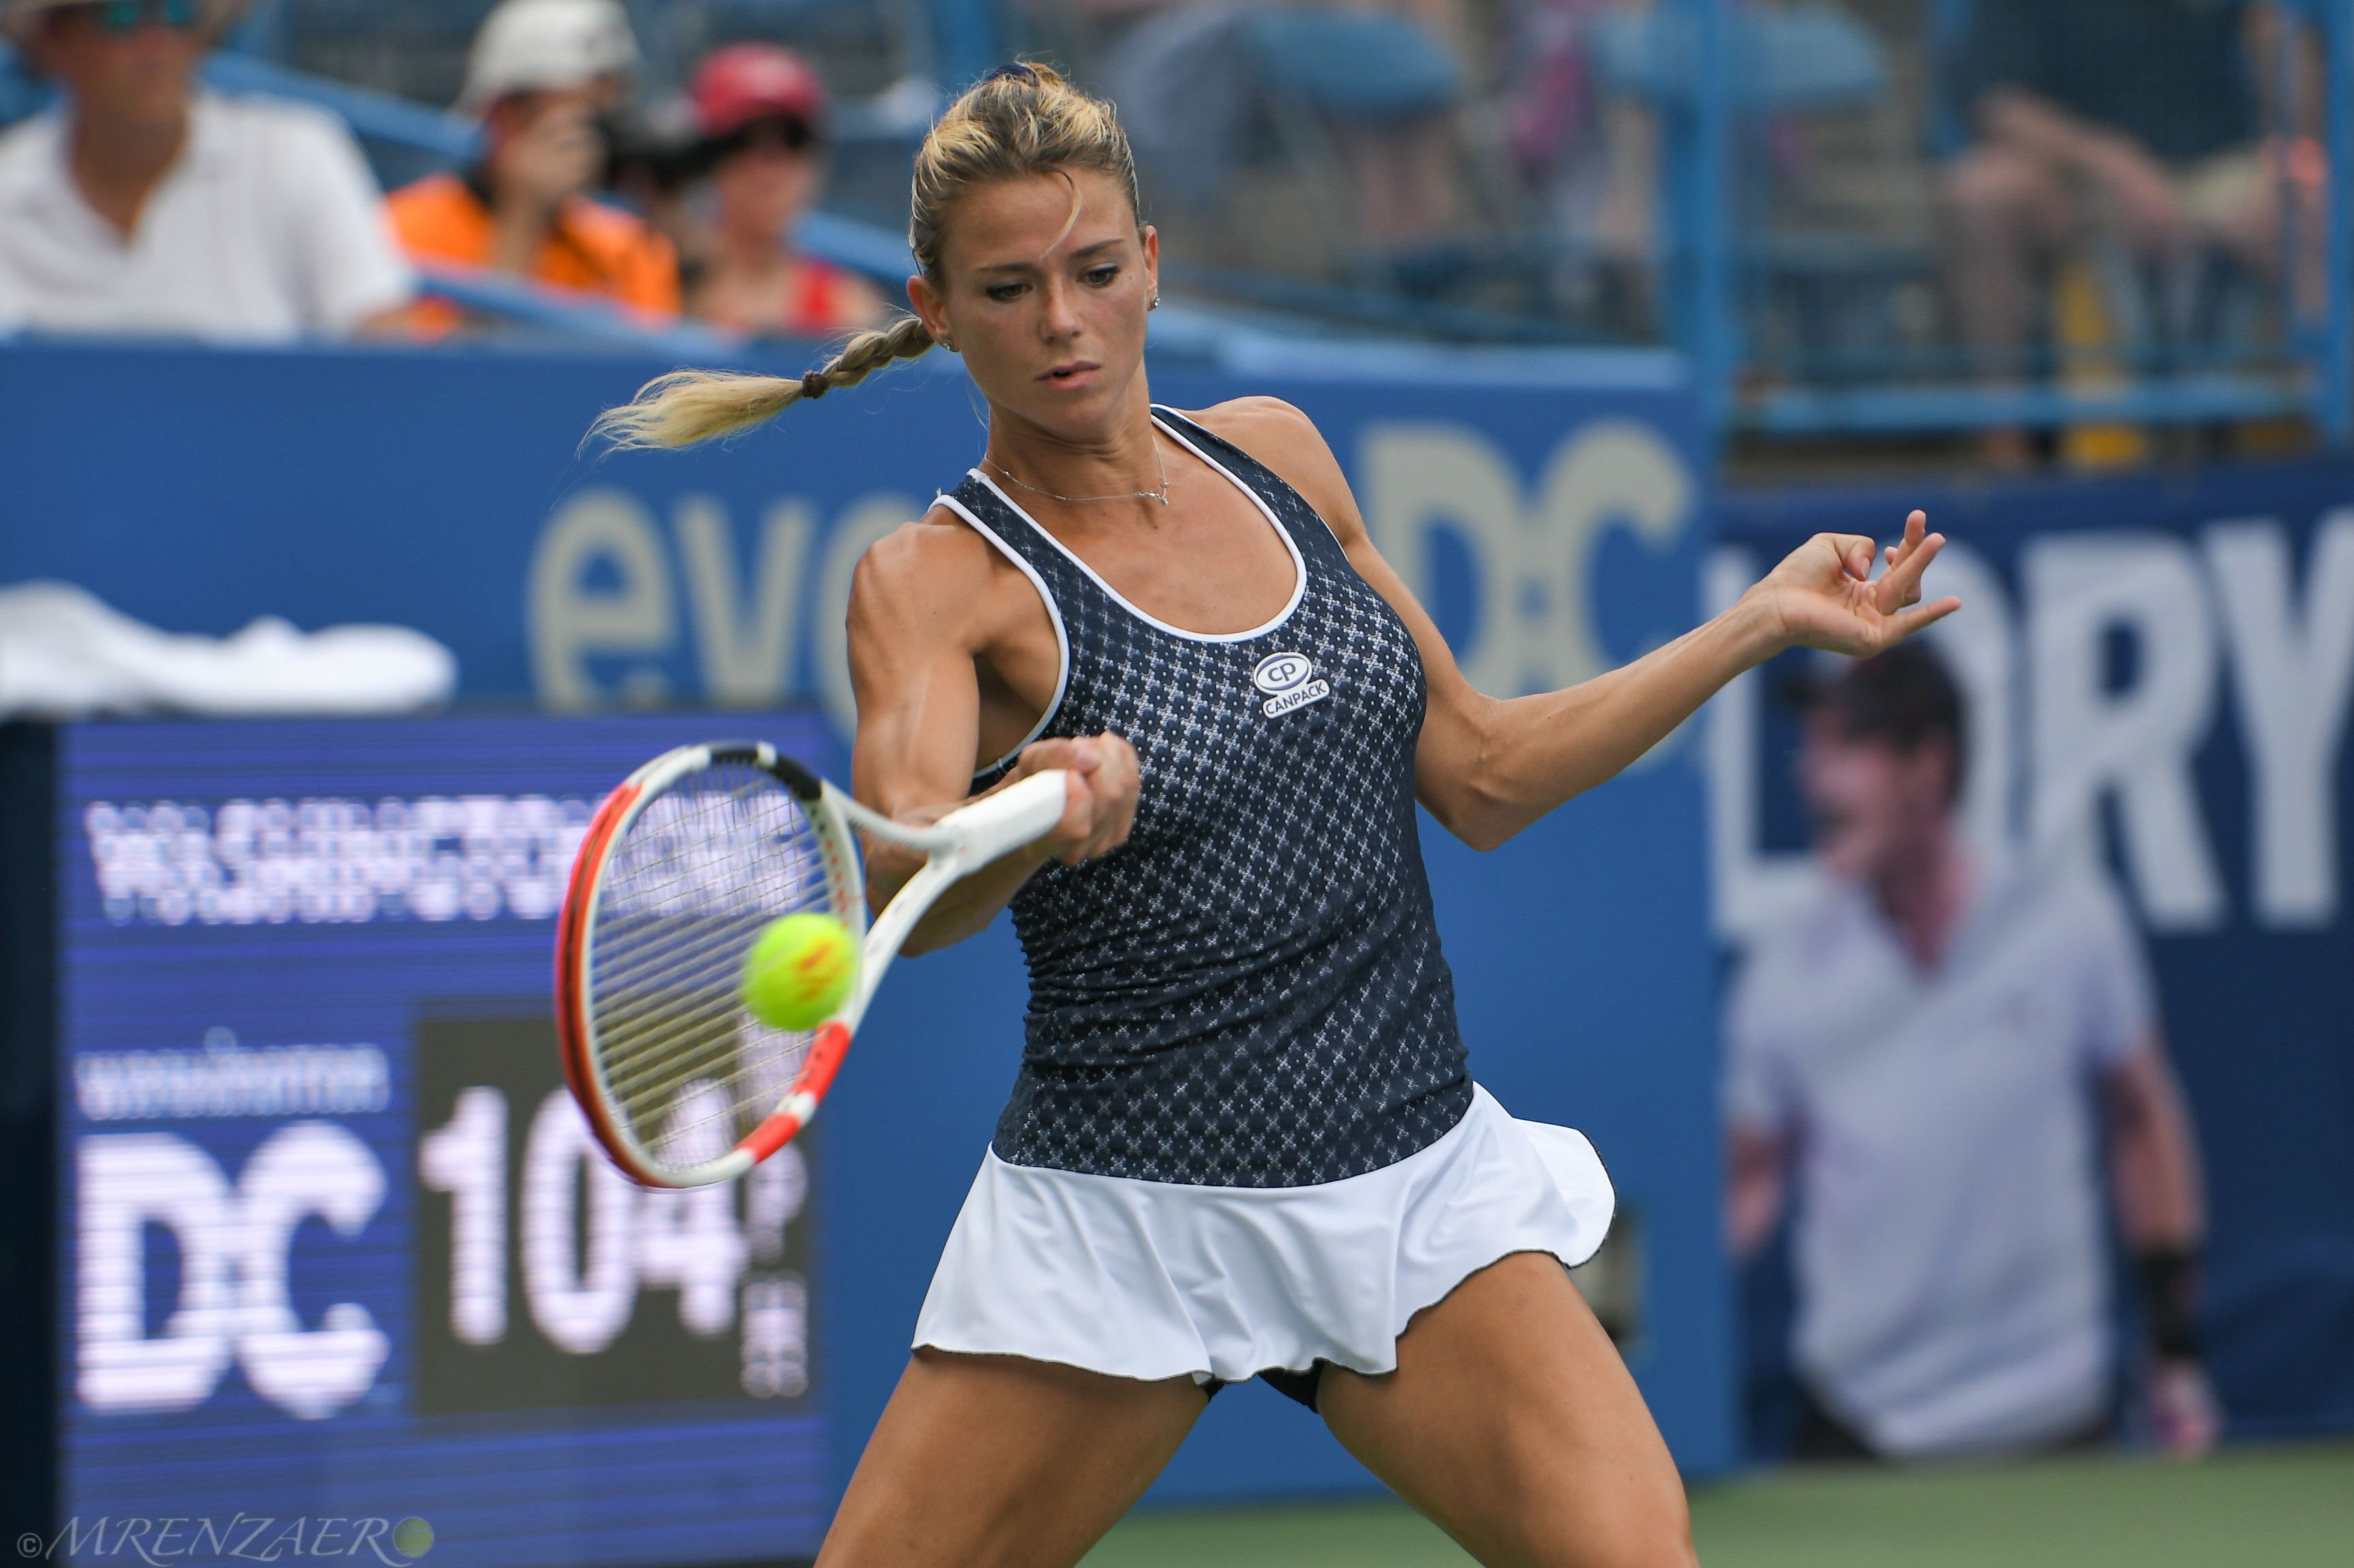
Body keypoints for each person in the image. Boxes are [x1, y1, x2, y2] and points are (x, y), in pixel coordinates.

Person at [593, 62, 1956, 1568]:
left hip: (1410, 1177)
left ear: (1152, 262)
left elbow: (1483, 776)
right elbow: (913, 881)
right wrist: (1025, 805)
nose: (1061, 321)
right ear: (934, 306)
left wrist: (1755, 623)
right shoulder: (935, 583)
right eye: (1007, 288)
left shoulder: (1278, 456)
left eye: (1095, 271)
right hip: (1120, 1215)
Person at [1724, 646, 2220, 1463]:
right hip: (1861, 1438)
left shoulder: (2068, 922)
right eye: (1811, 749)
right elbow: (1747, 1182)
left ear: (1930, 766)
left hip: (2059, 1430)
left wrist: (2174, 1347)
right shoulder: (1782, 975)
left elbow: (2141, 1119)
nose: (1813, 778)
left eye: (1846, 748)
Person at [1942, 0, 2320, 466]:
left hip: (2218, 172)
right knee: (1980, 195)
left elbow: (2303, 115)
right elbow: (1997, 105)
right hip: (2073, 174)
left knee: (2316, 208)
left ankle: (2326, 451)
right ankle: (2004, 453)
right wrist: (2112, 164)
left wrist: (2274, 31)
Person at [0, 0, 412, 340]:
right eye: (121, 16)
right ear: (53, 41)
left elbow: (387, 354)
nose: (156, 42)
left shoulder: (298, 154)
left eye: (179, 13)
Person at [386, 0, 677, 325]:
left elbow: (666, 370)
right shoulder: (399, 232)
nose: (598, 139)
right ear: (505, 116)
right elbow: (454, 372)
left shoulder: (630, 246)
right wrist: (522, 218)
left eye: (609, 114)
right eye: (583, 114)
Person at [682, 42, 887, 338]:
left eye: (792, 141)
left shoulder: (847, 309)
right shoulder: (661, 287)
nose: (769, 169)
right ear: (706, 158)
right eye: (742, 142)